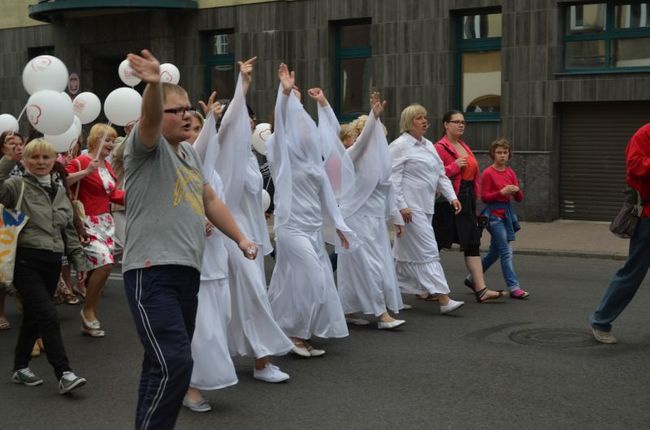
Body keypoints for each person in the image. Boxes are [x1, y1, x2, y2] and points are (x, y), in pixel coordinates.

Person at [123, 49, 258, 430]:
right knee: (176, 362)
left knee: (160, 365)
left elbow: (209, 199)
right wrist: (152, 85)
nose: (186, 115)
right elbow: (150, 120)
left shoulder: (188, 155)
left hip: (186, 273)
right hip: (151, 273)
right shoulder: (143, 149)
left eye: (187, 109)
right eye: (176, 110)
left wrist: (241, 238)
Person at [267, 64, 353, 357]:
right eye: (300, 123)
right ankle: (294, 333)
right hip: (290, 227)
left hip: (312, 227)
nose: (305, 128)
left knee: (296, 282)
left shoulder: (313, 162)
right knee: (313, 277)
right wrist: (284, 92)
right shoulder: (280, 154)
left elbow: (327, 192)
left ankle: (292, 331)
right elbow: (280, 121)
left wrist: (339, 225)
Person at [1, 138, 88, 394]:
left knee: (33, 317)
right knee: (48, 315)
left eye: (45, 158)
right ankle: (64, 373)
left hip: (52, 261)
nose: (40, 162)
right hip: (25, 260)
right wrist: (8, 159)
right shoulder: (16, 185)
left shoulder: (60, 190)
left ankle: (20, 367)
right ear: (25, 161)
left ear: (54, 161)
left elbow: (69, 229)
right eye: (34, 158)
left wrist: (78, 261)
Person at [182, 108, 238, 413]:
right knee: (201, 329)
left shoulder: (212, 170)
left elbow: (217, 205)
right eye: (187, 128)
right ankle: (189, 385)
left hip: (217, 256)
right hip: (192, 260)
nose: (193, 135)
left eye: (197, 129)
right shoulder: (176, 165)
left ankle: (189, 379)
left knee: (220, 320)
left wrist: (240, 238)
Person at [334, 92, 406, 329]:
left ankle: (349, 309)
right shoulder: (351, 154)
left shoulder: (382, 162)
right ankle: (380, 313)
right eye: (371, 133)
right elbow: (363, 142)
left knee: (358, 266)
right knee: (368, 266)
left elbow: (389, 191)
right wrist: (374, 116)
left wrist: (396, 218)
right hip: (356, 218)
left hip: (374, 220)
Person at [390, 104, 464, 314]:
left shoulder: (428, 145)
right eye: (419, 118)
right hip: (411, 209)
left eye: (425, 117)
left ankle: (389, 295)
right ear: (408, 122)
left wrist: (452, 197)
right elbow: (392, 179)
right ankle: (444, 299)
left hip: (426, 206)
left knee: (401, 256)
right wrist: (401, 206)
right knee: (428, 250)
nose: (424, 121)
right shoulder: (399, 145)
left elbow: (440, 174)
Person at [433, 110, 506, 303]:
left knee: (472, 242)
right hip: (449, 202)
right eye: (456, 122)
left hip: (467, 199)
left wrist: (476, 197)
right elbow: (433, 174)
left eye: (463, 122)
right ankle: (426, 287)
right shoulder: (439, 148)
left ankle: (481, 289)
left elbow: (474, 174)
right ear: (445, 125)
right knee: (436, 244)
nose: (461, 125)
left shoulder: (464, 145)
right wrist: (454, 165)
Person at [589, 123, 650, 344]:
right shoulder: (645, 134)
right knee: (633, 272)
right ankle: (600, 321)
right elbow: (634, 167)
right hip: (647, 216)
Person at [66, 123, 124, 337]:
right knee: (106, 264)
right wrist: (85, 171)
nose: (111, 144)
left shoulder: (107, 165)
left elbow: (111, 194)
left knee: (97, 273)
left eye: (113, 140)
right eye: (107, 140)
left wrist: (136, 195)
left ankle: (88, 319)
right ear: (94, 140)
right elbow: (61, 181)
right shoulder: (80, 161)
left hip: (106, 223)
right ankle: (88, 311)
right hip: (86, 222)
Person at [476, 138, 528, 299]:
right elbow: (484, 197)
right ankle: (514, 287)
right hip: (493, 216)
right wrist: (501, 192)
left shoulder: (510, 172)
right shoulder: (488, 173)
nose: (502, 156)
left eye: (505, 153)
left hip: (506, 214)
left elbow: (519, 198)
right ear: (493, 154)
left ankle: (472, 279)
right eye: (499, 153)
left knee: (495, 252)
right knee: (506, 251)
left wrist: (516, 190)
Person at [0, 131, 25, 330]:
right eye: (11, 143)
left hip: (22, 220)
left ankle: (21, 297)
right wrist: (8, 160)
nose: (17, 147)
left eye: (20, 144)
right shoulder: (3, 165)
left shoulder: (27, 164)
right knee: (2, 268)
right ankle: (0, 312)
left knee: (23, 266)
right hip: (3, 221)